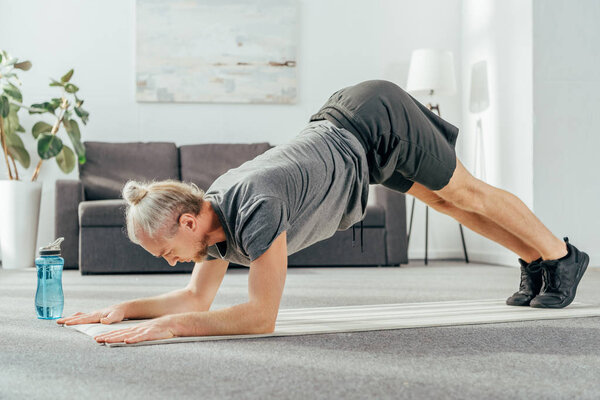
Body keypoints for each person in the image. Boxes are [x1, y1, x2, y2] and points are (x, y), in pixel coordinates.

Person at [57, 80, 590, 345]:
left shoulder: (254, 207)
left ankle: (562, 257)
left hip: (375, 120)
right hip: (352, 139)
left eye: (167, 252)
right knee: (445, 201)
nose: (172, 262)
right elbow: (198, 296)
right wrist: (126, 309)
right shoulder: (211, 219)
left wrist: (172, 329)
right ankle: (536, 262)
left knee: (464, 193)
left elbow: (260, 318)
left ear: (188, 222)